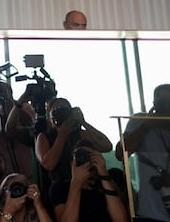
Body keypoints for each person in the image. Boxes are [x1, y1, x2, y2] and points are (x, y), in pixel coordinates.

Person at [115, 84, 170, 222]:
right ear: (154, 104)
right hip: (150, 212)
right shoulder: (140, 120)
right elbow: (121, 153)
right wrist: (146, 126)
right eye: (162, 103)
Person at [50, 140, 128, 222]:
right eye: (79, 156)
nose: (84, 159)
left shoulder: (106, 185)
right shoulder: (59, 188)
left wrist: (103, 173)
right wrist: (76, 182)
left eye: (89, 156)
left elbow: (121, 219)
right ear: (72, 163)